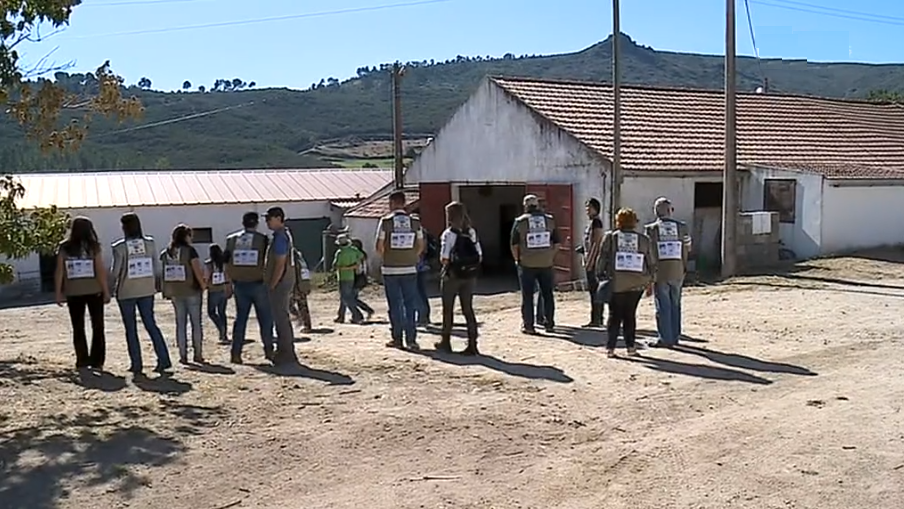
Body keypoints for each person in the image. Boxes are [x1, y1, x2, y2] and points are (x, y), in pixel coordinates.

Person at [111, 212, 172, 374]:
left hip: (126, 291)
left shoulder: (119, 247)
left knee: (130, 328)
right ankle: (164, 359)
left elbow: (115, 271)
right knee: (151, 324)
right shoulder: (150, 243)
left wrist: (111, 284)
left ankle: (136, 363)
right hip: (146, 289)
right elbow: (156, 267)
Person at [598, 207, 656, 358]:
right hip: (637, 282)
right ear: (634, 222)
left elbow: (602, 258)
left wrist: (599, 275)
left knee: (614, 315)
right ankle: (631, 347)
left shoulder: (611, 237)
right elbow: (651, 262)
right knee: (630, 315)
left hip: (616, 282)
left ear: (618, 222)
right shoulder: (644, 240)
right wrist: (651, 280)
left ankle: (610, 348)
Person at [54, 216, 110, 370]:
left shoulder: (64, 247)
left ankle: (82, 359)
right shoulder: (94, 247)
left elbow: (59, 271)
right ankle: (97, 360)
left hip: (74, 292)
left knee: (78, 327)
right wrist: (106, 291)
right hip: (94, 290)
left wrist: (58, 292)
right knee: (98, 326)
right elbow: (100, 270)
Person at [375, 190, 424, 350]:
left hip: (390, 269)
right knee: (411, 304)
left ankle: (397, 338)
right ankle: (412, 339)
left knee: (395, 304)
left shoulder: (385, 222)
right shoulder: (415, 222)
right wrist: (411, 256)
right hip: (410, 268)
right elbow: (420, 245)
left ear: (392, 203)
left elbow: (379, 246)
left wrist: (389, 256)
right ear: (404, 203)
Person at [225, 211, 273, 364]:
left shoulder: (231, 240)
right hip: (259, 283)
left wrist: (228, 282)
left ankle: (236, 353)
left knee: (240, 319)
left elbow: (225, 261)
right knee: (265, 319)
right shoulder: (263, 239)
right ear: (256, 223)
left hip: (239, 284)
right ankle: (269, 351)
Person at [644, 197, 692, 348]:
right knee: (676, 304)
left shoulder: (651, 229)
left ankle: (665, 338)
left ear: (656, 212)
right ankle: (675, 335)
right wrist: (684, 265)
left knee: (663, 305)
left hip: (660, 272)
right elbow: (688, 248)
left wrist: (649, 273)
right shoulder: (682, 227)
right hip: (678, 269)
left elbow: (649, 252)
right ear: (670, 210)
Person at [435, 201, 482, 355]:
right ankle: (472, 344)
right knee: (468, 309)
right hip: (469, 275)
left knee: (448, 309)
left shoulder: (448, 234)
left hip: (452, 275)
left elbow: (444, 258)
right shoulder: (471, 232)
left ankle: (446, 342)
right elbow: (479, 255)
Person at [511, 194, 560, 334]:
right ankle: (549, 323)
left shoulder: (520, 222)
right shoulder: (549, 220)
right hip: (546, 263)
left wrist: (517, 259)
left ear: (525, 206)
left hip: (527, 264)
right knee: (548, 294)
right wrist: (550, 256)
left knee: (527, 295)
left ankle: (529, 325)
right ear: (537, 205)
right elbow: (557, 243)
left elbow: (514, 244)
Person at [160, 224, 207, 364]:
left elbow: (164, 273)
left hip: (175, 291)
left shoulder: (166, 253)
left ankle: (183, 355)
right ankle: (198, 354)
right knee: (196, 323)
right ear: (186, 236)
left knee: (180, 323)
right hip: (191, 289)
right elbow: (197, 270)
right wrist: (203, 285)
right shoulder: (190, 251)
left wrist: (165, 290)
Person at [264, 206, 299, 366]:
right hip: (285, 280)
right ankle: (285, 351)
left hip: (281, 282)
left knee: (281, 318)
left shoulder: (280, 237)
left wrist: (272, 283)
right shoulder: (284, 235)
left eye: (269, 218)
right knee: (281, 316)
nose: (267, 221)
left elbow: (280, 263)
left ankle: (286, 352)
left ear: (278, 218)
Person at [579, 198, 606, 328]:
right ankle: (595, 318)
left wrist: (590, 262)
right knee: (592, 291)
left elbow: (596, 243)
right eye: (586, 208)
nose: (587, 210)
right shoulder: (591, 223)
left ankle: (597, 319)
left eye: (589, 208)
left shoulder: (597, 223)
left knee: (595, 291)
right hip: (589, 258)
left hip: (594, 262)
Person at [333, 233, 365, 324]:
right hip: (352, 277)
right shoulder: (354, 250)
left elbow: (335, 265)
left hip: (342, 277)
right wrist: (355, 265)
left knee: (346, 298)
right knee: (345, 297)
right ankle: (341, 316)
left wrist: (345, 268)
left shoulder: (340, 253)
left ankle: (357, 315)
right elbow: (362, 257)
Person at [205, 244, 232, 344]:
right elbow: (228, 276)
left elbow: (207, 276)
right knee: (222, 312)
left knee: (211, 312)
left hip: (213, 290)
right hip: (223, 288)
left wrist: (205, 285)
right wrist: (229, 288)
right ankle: (224, 334)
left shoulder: (209, 264)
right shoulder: (224, 263)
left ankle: (221, 328)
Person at [412, 213, 431, 326]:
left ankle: (422, 317)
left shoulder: (415, 233)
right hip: (423, 265)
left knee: (416, 293)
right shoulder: (423, 232)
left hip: (415, 265)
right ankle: (425, 316)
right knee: (422, 292)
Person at [350, 238, 375, 319]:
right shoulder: (363, 254)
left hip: (358, 277)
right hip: (361, 277)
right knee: (352, 298)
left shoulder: (358, 255)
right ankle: (355, 315)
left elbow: (358, 268)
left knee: (352, 299)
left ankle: (368, 310)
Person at [290, 247, 313, 333]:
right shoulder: (302, 262)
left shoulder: (295, 264)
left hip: (296, 287)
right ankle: (307, 325)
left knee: (288, 305)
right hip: (302, 286)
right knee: (303, 306)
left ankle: (298, 318)